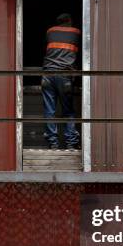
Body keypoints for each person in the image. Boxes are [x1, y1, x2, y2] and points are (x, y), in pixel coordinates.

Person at [41, 13, 81, 150]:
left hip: (47, 75)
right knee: (68, 111)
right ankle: (71, 143)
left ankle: (53, 143)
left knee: (49, 110)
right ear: (69, 21)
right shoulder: (76, 32)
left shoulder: (50, 31)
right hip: (64, 75)